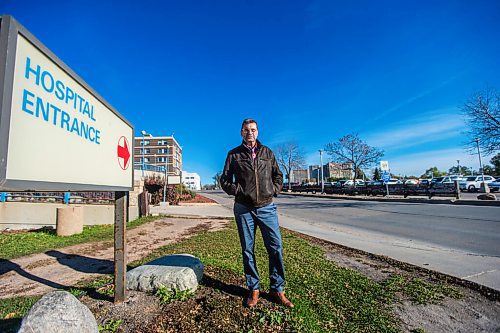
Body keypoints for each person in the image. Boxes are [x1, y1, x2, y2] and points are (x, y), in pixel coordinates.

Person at [220, 118, 293, 308]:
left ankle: (278, 289)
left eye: (252, 129)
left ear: (258, 132)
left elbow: (278, 175)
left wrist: (274, 189)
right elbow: (225, 179)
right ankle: (254, 289)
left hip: (267, 207)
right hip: (244, 209)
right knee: (247, 250)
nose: (249, 132)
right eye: (245, 130)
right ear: (241, 133)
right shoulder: (233, 154)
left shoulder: (267, 152)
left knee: (275, 247)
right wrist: (237, 191)